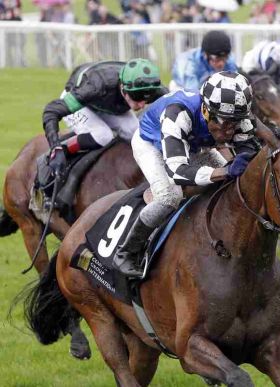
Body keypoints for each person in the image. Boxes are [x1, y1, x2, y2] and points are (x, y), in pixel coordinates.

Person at [113, 71, 258, 277]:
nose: (229, 131)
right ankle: (127, 252)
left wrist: (244, 157)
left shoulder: (237, 115)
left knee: (231, 183)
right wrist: (224, 171)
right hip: (151, 142)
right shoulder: (177, 113)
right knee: (170, 196)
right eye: (224, 122)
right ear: (206, 111)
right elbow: (177, 172)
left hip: (193, 142)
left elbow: (252, 149)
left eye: (234, 123)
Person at [43, 59, 165, 178]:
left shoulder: (155, 89)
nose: (142, 105)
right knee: (103, 135)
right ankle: (64, 149)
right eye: (137, 97)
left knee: (137, 133)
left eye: (148, 99)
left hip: (109, 104)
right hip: (82, 101)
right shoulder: (96, 87)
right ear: (123, 87)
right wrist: (55, 147)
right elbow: (51, 110)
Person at [170, 30, 237, 92]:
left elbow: (235, 86)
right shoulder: (190, 64)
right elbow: (192, 94)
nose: (221, 63)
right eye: (217, 58)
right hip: (182, 87)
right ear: (205, 54)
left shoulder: (229, 59)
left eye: (225, 57)